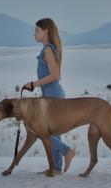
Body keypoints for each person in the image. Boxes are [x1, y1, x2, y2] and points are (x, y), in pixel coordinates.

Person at [24, 17, 76, 174]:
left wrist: (34, 84)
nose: (34, 34)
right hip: (50, 93)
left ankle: (67, 152)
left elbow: (55, 76)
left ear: (45, 31)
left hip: (53, 94)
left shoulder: (48, 50)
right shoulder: (48, 49)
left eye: (37, 30)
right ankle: (56, 167)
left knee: (42, 131)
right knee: (53, 132)